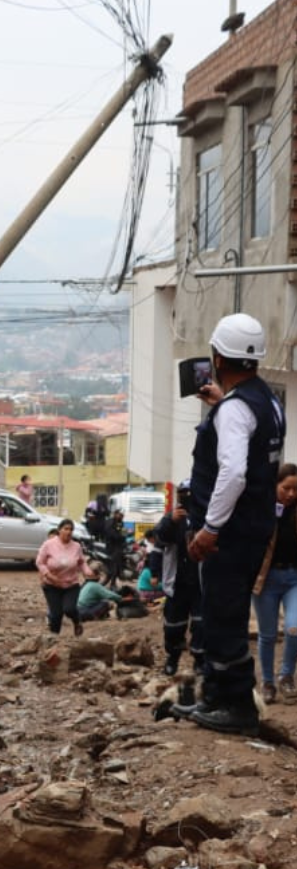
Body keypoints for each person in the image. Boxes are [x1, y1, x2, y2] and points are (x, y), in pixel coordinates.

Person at [176, 314, 287, 735]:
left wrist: (210, 529)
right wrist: (222, 405)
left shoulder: (236, 411)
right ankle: (219, 696)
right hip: (254, 527)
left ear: (218, 356)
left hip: (231, 533)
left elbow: (235, 473)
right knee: (227, 610)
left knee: (223, 615)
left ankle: (236, 705)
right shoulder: (268, 401)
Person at [253, 463, 297, 698]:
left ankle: (287, 675)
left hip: (294, 579)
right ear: (276, 486)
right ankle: (268, 683)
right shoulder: (262, 509)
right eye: (286, 488)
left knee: (294, 628)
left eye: (295, 490)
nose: (291, 494)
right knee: (267, 635)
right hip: (266, 579)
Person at [152, 482, 202, 677]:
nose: (186, 498)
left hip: (199, 582)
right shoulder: (171, 518)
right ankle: (172, 659)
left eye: (190, 494)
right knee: (173, 625)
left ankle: (200, 660)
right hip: (177, 581)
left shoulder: (205, 516)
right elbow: (159, 542)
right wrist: (171, 521)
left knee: (201, 624)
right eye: (182, 494)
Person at [36, 519, 88, 636]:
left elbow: (82, 562)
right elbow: (39, 562)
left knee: (69, 609)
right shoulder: (48, 544)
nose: (68, 532)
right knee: (56, 614)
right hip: (51, 585)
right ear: (60, 530)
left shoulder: (76, 546)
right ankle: (54, 639)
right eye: (66, 529)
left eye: (71, 529)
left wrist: (87, 571)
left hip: (71, 584)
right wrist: (48, 575)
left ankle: (77, 621)